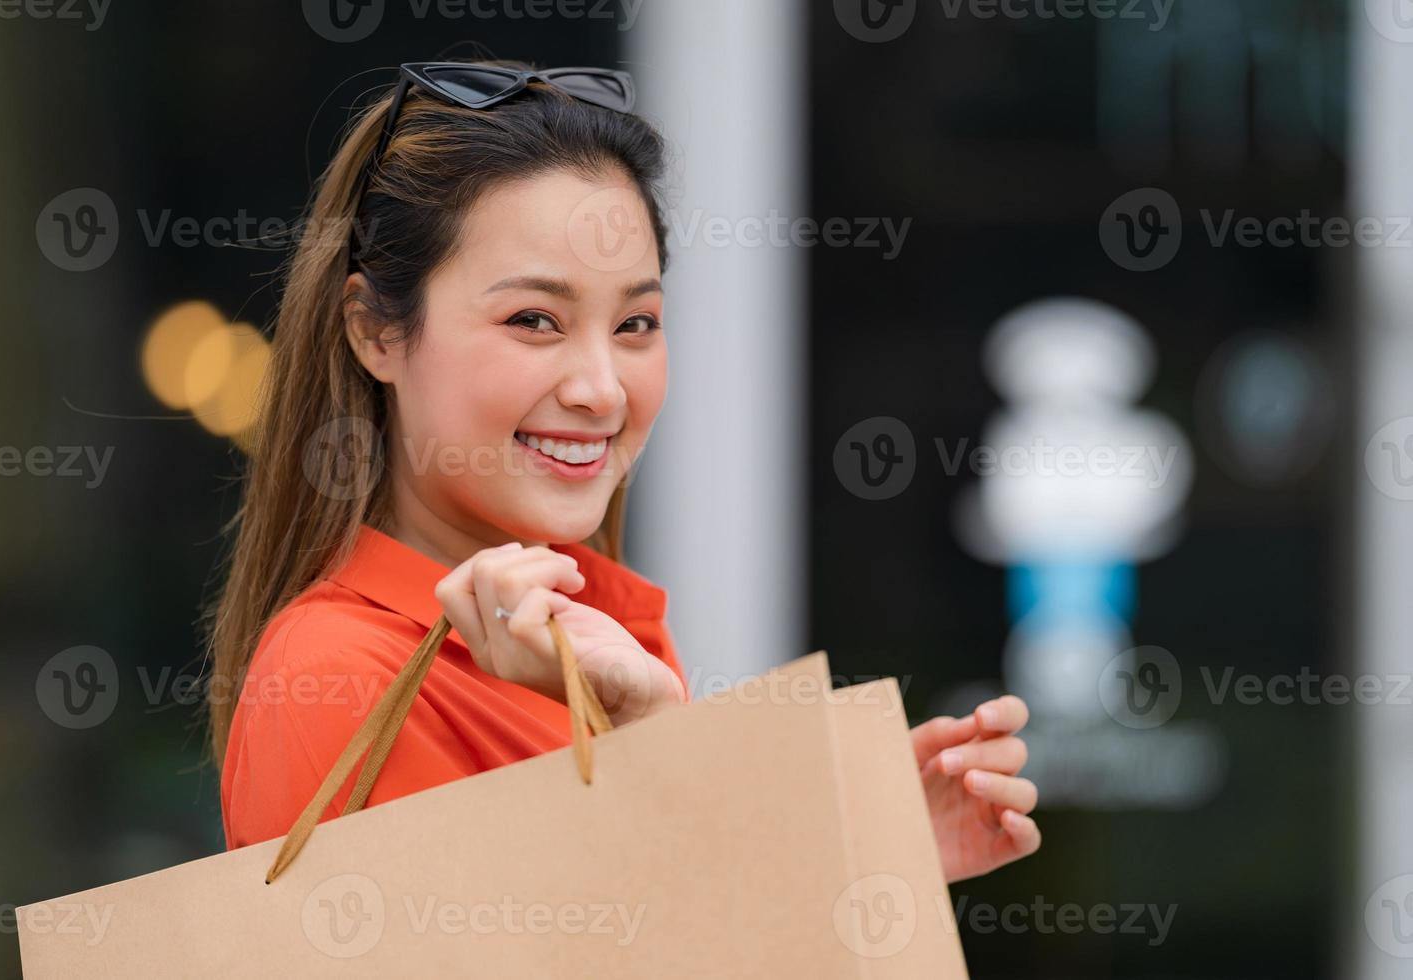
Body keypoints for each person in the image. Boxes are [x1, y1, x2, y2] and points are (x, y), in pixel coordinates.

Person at [207, 59, 1040, 883]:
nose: (601, 389)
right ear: (376, 333)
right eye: (535, 319)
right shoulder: (337, 678)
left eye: (637, 322)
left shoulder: (597, 629)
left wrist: (849, 858)